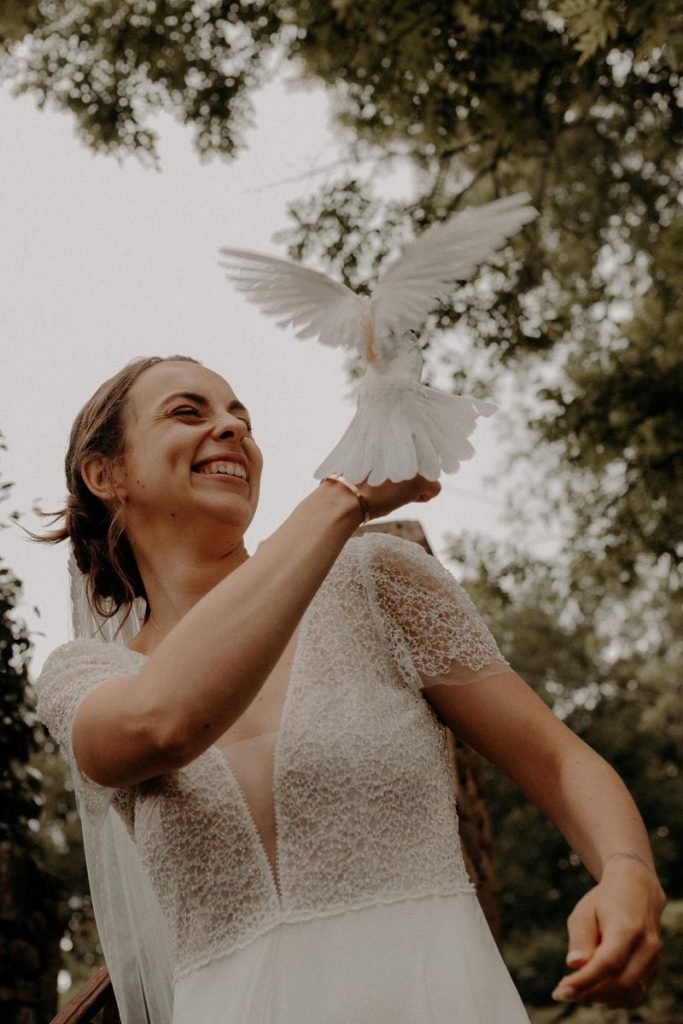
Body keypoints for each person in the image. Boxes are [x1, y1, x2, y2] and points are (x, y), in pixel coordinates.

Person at [33, 354, 666, 1024]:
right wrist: (344, 493)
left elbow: (557, 759)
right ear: (105, 474)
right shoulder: (85, 678)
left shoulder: (374, 582)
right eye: (189, 412)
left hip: (438, 996)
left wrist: (627, 869)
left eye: (240, 418)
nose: (231, 430)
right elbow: (164, 724)